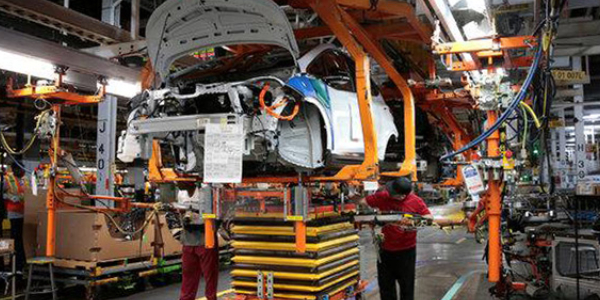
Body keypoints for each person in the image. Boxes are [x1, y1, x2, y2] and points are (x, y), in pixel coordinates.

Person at [360, 177, 433, 300]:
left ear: (402, 196)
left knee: (406, 287)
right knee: (386, 288)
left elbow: (429, 217)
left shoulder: (415, 201)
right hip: (385, 251)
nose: (389, 194)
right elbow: (363, 201)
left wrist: (412, 221)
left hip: (406, 251)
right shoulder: (383, 197)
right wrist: (373, 216)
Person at [179, 184, 219, 300]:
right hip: (188, 240)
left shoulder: (207, 191)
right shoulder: (180, 193)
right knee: (188, 277)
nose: (178, 183)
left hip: (206, 239)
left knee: (210, 277)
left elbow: (216, 213)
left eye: (180, 182)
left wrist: (200, 217)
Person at [2, 162, 27, 272]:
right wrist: (9, 196)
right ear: (15, 169)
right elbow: (2, 194)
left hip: (24, 213)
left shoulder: (24, 180)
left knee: (20, 239)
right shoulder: (7, 179)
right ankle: (14, 264)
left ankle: (20, 262)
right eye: (21, 169)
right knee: (15, 239)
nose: (23, 171)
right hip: (13, 214)